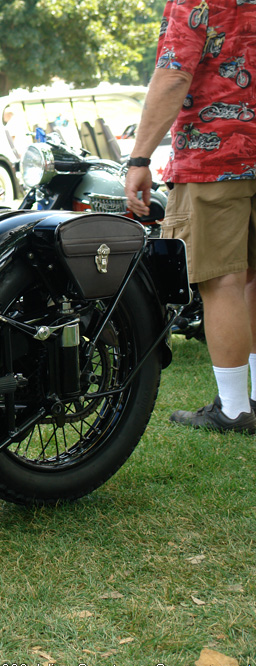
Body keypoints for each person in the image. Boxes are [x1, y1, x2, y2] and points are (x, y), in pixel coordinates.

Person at [125, 0, 256, 434]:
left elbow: (173, 74)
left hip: (214, 157)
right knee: (253, 277)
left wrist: (139, 157)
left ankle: (235, 409)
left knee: (222, 280)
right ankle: (252, 397)